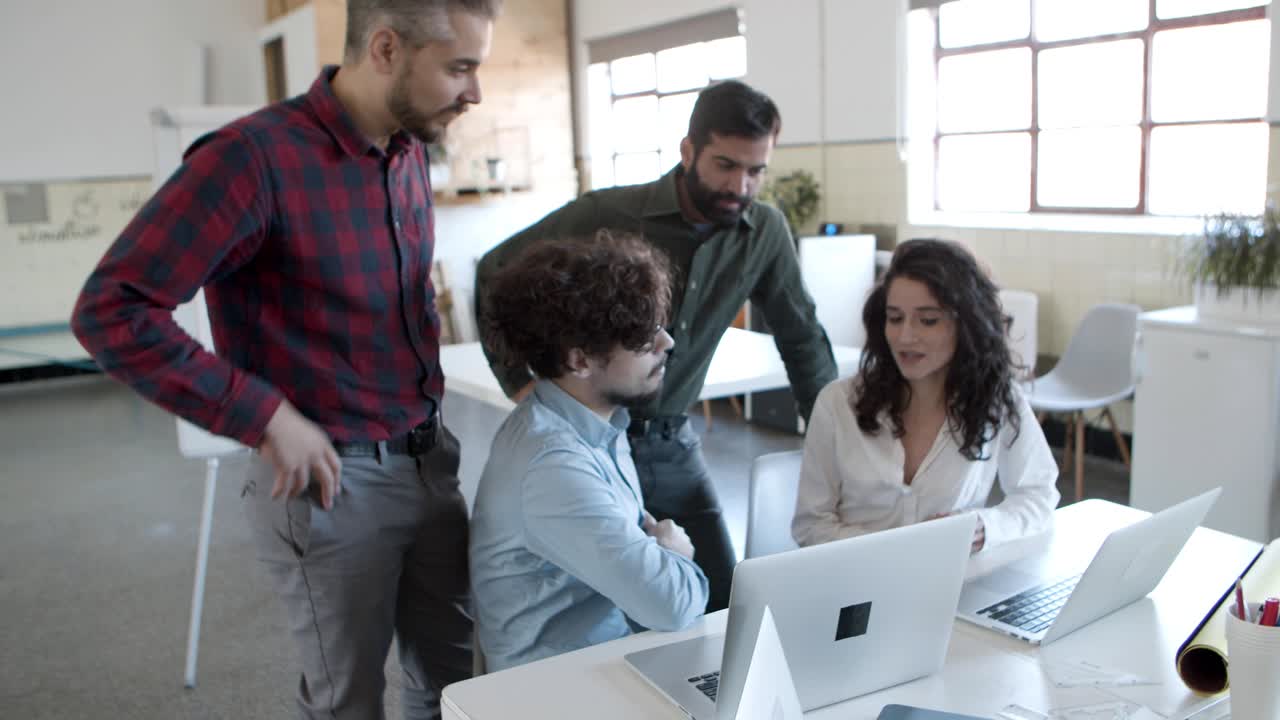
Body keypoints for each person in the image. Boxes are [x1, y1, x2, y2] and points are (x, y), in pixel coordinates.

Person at [70, 1, 500, 716]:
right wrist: (264, 415)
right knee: (348, 702)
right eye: (460, 67)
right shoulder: (250, 160)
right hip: (332, 487)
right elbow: (112, 310)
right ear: (387, 49)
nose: (475, 92)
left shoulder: (407, 149)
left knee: (456, 687)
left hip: (431, 461)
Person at [474, 80, 836, 612]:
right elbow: (494, 272)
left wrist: (835, 447)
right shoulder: (607, 214)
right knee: (601, 607)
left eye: (756, 171)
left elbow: (802, 338)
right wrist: (520, 382)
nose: (741, 185)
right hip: (587, 440)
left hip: (668, 440)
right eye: (725, 165)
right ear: (688, 151)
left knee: (722, 602)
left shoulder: (764, 233)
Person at [470, 231, 709, 671]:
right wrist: (675, 553)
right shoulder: (552, 465)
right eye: (641, 339)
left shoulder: (596, 423)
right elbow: (673, 605)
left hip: (605, 661)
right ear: (579, 361)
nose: (666, 344)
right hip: (560, 691)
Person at [791, 239, 1059, 553]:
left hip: (948, 588)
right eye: (895, 318)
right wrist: (901, 552)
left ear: (967, 324)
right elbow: (810, 525)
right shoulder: (838, 403)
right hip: (851, 589)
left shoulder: (997, 400)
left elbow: (1039, 496)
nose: (905, 337)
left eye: (928, 320)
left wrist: (983, 528)